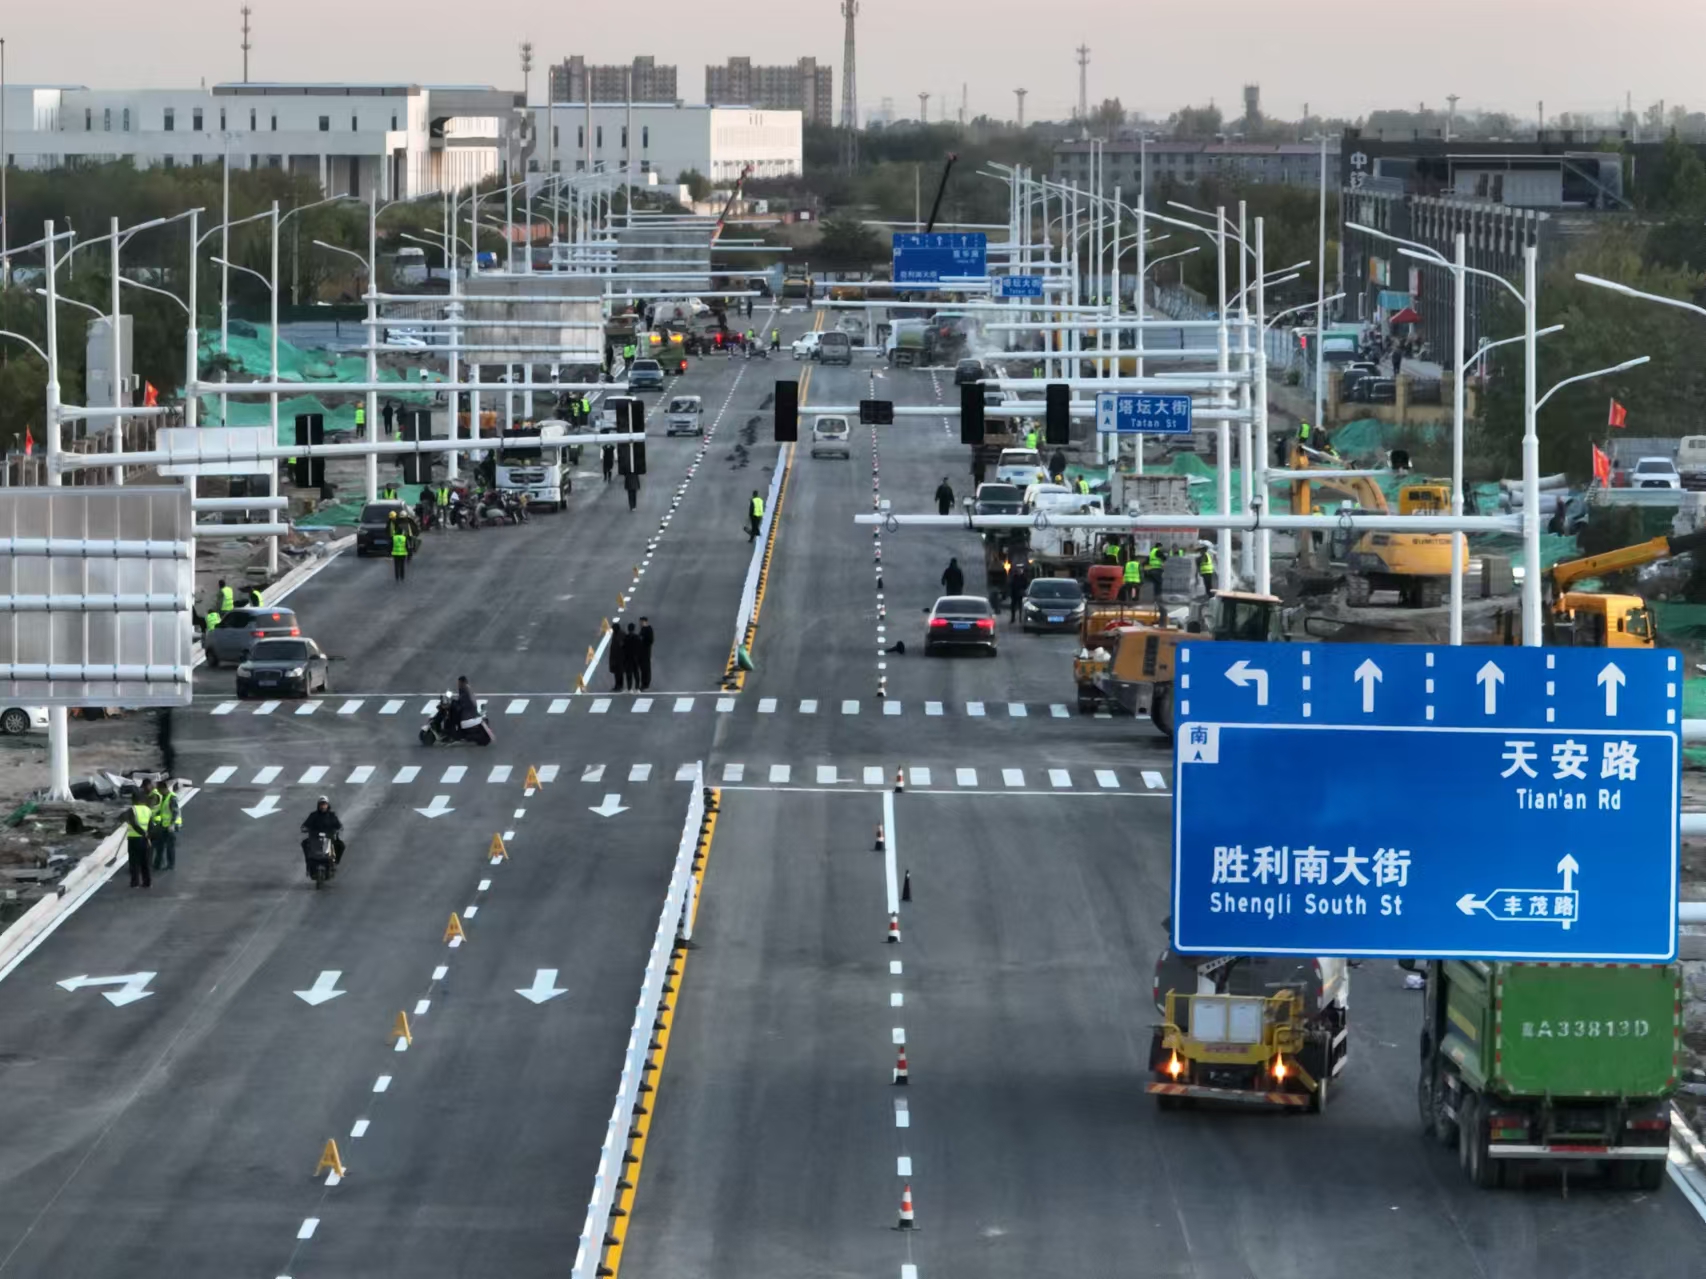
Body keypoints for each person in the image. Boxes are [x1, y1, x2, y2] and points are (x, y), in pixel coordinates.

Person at [301, 796, 344, 862]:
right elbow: (305, 824)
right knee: (305, 843)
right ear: (318, 805)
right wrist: (305, 828)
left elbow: (338, 825)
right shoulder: (313, 815)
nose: (323, 806)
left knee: (341, 845)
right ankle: (308, 863)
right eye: (321, 804)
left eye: (324, 804)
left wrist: (339, 828)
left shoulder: (332, 815)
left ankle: (335, 861)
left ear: (327, 805)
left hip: (329, 837)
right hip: (315, 837)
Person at [150, 779, 180, 872]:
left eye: (159, 789)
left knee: (170, 847)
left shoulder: (172, 798)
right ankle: (157, 864)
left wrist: (172, 824)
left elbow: (175, 812)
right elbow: (163, 810)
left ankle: (170, 865)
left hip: (170, 827)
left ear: (164, 788)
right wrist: (152, 814)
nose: (158, 792)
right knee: (159, 845)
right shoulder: (164, 796)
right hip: (163, 825)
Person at [125, 792, 153, 889]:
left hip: (134, 839)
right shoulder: (148, 810)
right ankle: (147, 882)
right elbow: (150, 826)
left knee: (134, 862)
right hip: (145, 840)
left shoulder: (132, 810)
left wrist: (142, 832)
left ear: (134, 800)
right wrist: (148, 836)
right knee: (145, 862)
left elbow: (133, 824)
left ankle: (135, 883)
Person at [390, 514, 410, 582]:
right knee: (402, 566)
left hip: (395, 554)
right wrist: (408, 555)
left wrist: (390, 553)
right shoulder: (404, 538)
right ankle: (402, 577)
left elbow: (391, 546)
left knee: (396, 566)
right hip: (403, 554)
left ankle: (397, 577)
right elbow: (407, 546)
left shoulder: (394, 538)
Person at [609, 622, 628, 691]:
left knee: (619, 672)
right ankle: (617, 685)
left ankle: (619, 685)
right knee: (616, 673)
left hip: (620, 657)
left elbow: (624, 645)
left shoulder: (621, 634)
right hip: (615, 656)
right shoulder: (616, 633)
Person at [638, 616, 655, 691]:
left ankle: (646, 684)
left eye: (641, 622)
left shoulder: (648, 629)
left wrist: (643, 640)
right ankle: (643, 683)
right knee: (642, 668)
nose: (640, 623)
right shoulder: (642, 629)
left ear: (645, 622)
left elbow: (651, 640)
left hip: (646, 652)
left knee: (646, 668)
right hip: (641, 652)